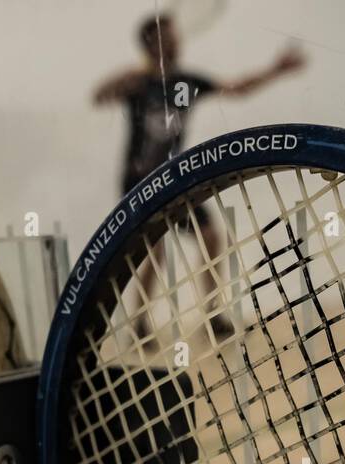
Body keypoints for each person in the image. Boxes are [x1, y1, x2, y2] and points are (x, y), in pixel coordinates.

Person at [93, 13, 305, 340]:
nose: (174, 40)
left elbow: (236, 88)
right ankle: (139, 323)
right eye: (165, 35)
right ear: (150, 44)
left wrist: (276, 70)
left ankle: (213, 314)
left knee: (210, 237)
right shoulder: (137, 83)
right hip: (139, 183)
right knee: (154, 252)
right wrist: (123, 79)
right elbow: (99, 95)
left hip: (176, 179)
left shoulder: (186, 83)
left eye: (174, 34)